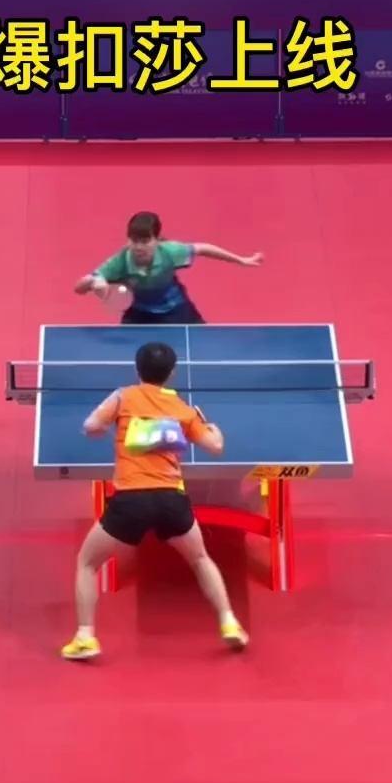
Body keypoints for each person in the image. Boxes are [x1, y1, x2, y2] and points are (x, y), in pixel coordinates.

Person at [61, 341, 249, 660]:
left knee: (87, 563)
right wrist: (213, 428)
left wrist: (109, 423)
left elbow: (91, 427)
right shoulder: (183, 410)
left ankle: (85, 637)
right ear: (171, 373)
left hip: (131, 501)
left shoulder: (123, 396)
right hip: (171, 499)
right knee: (200, 558)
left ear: (137, 369)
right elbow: (215, 447)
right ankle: (229, 621)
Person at [74, 211, 264, 325]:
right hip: (140, 313)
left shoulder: (170, 252)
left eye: (145, 241)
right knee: (129, 353)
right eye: (134, 240)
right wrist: (92, 282)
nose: (138, 247)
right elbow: (78, 289)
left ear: (157, 240)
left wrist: (241, 260)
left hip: (175, 308)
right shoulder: (120, 261)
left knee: (203, 344)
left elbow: (203, 248)